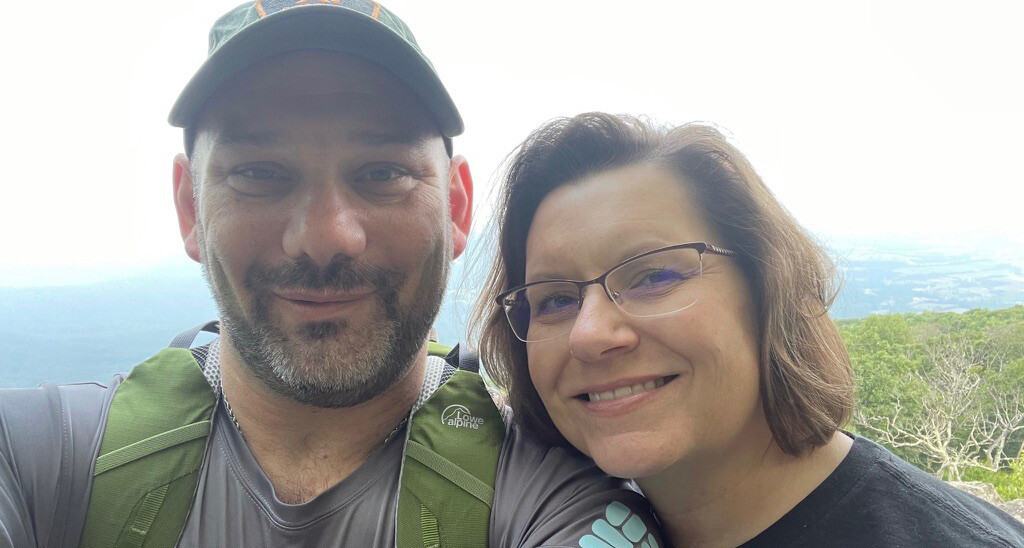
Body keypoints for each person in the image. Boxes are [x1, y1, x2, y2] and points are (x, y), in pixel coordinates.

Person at [0, 5, 665, 547]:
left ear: (456, 208)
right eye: (259, 174)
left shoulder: (557, 498)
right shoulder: (35, 456)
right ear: (190, 209)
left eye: (382, 173)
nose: (324, 238)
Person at [473, 112, 1024, 547]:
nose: (589, 334)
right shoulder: (555, 518)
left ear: (765, 287)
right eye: (555, 300)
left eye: (655, 276)